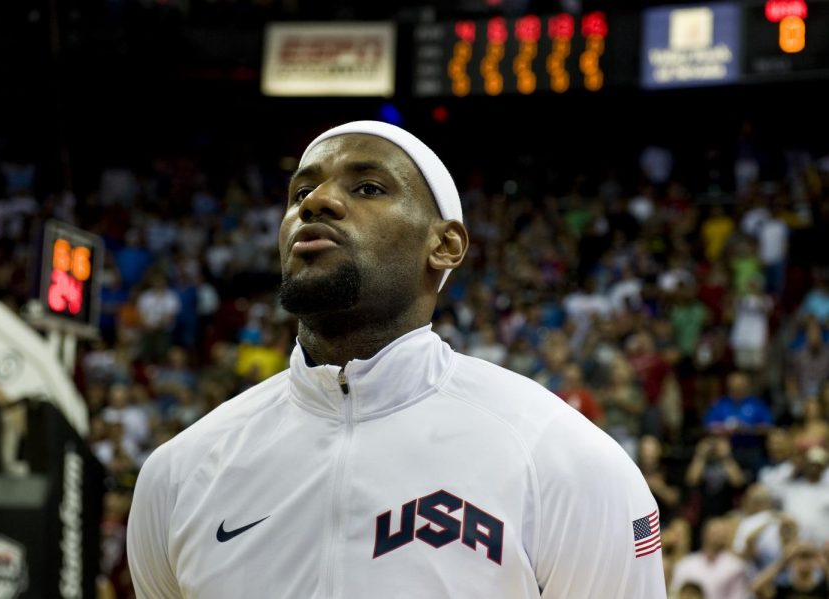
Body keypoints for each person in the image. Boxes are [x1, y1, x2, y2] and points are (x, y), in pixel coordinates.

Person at [127, 120, 666, 597]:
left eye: (367, 187)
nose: (315, 203)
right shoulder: (178, 472)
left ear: (446, 246)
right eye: (301, 191)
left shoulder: (565, 459)